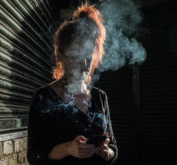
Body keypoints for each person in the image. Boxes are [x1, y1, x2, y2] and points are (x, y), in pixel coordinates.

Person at [27, 3, 118, 165]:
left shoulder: (99, 96)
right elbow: (34, 156)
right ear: (61, 55)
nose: (84, 63)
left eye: (88, 55)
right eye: (77, 55)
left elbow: (113, 148)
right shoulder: (44, 97)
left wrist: (106, 153)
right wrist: (68, 148)